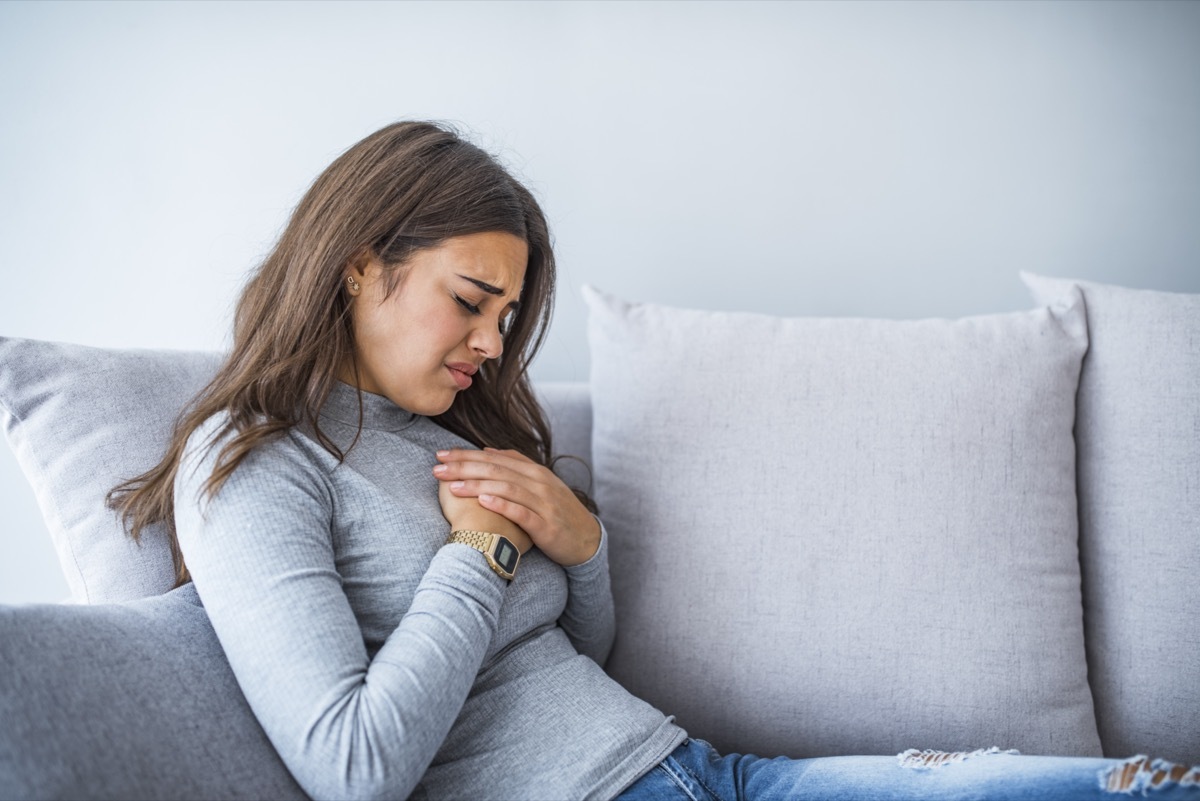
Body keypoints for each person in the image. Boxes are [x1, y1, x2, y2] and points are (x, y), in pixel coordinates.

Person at [109, 121, 1199, 801]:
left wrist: (581, 549)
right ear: (358, 269)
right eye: (473, 303)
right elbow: (353, 769)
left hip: (711, 770)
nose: (493, 345)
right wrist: (479, 561)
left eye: (507, 314)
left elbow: (577, 650)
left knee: (1135, 788)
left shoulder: (442, 430)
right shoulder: (257, 465)